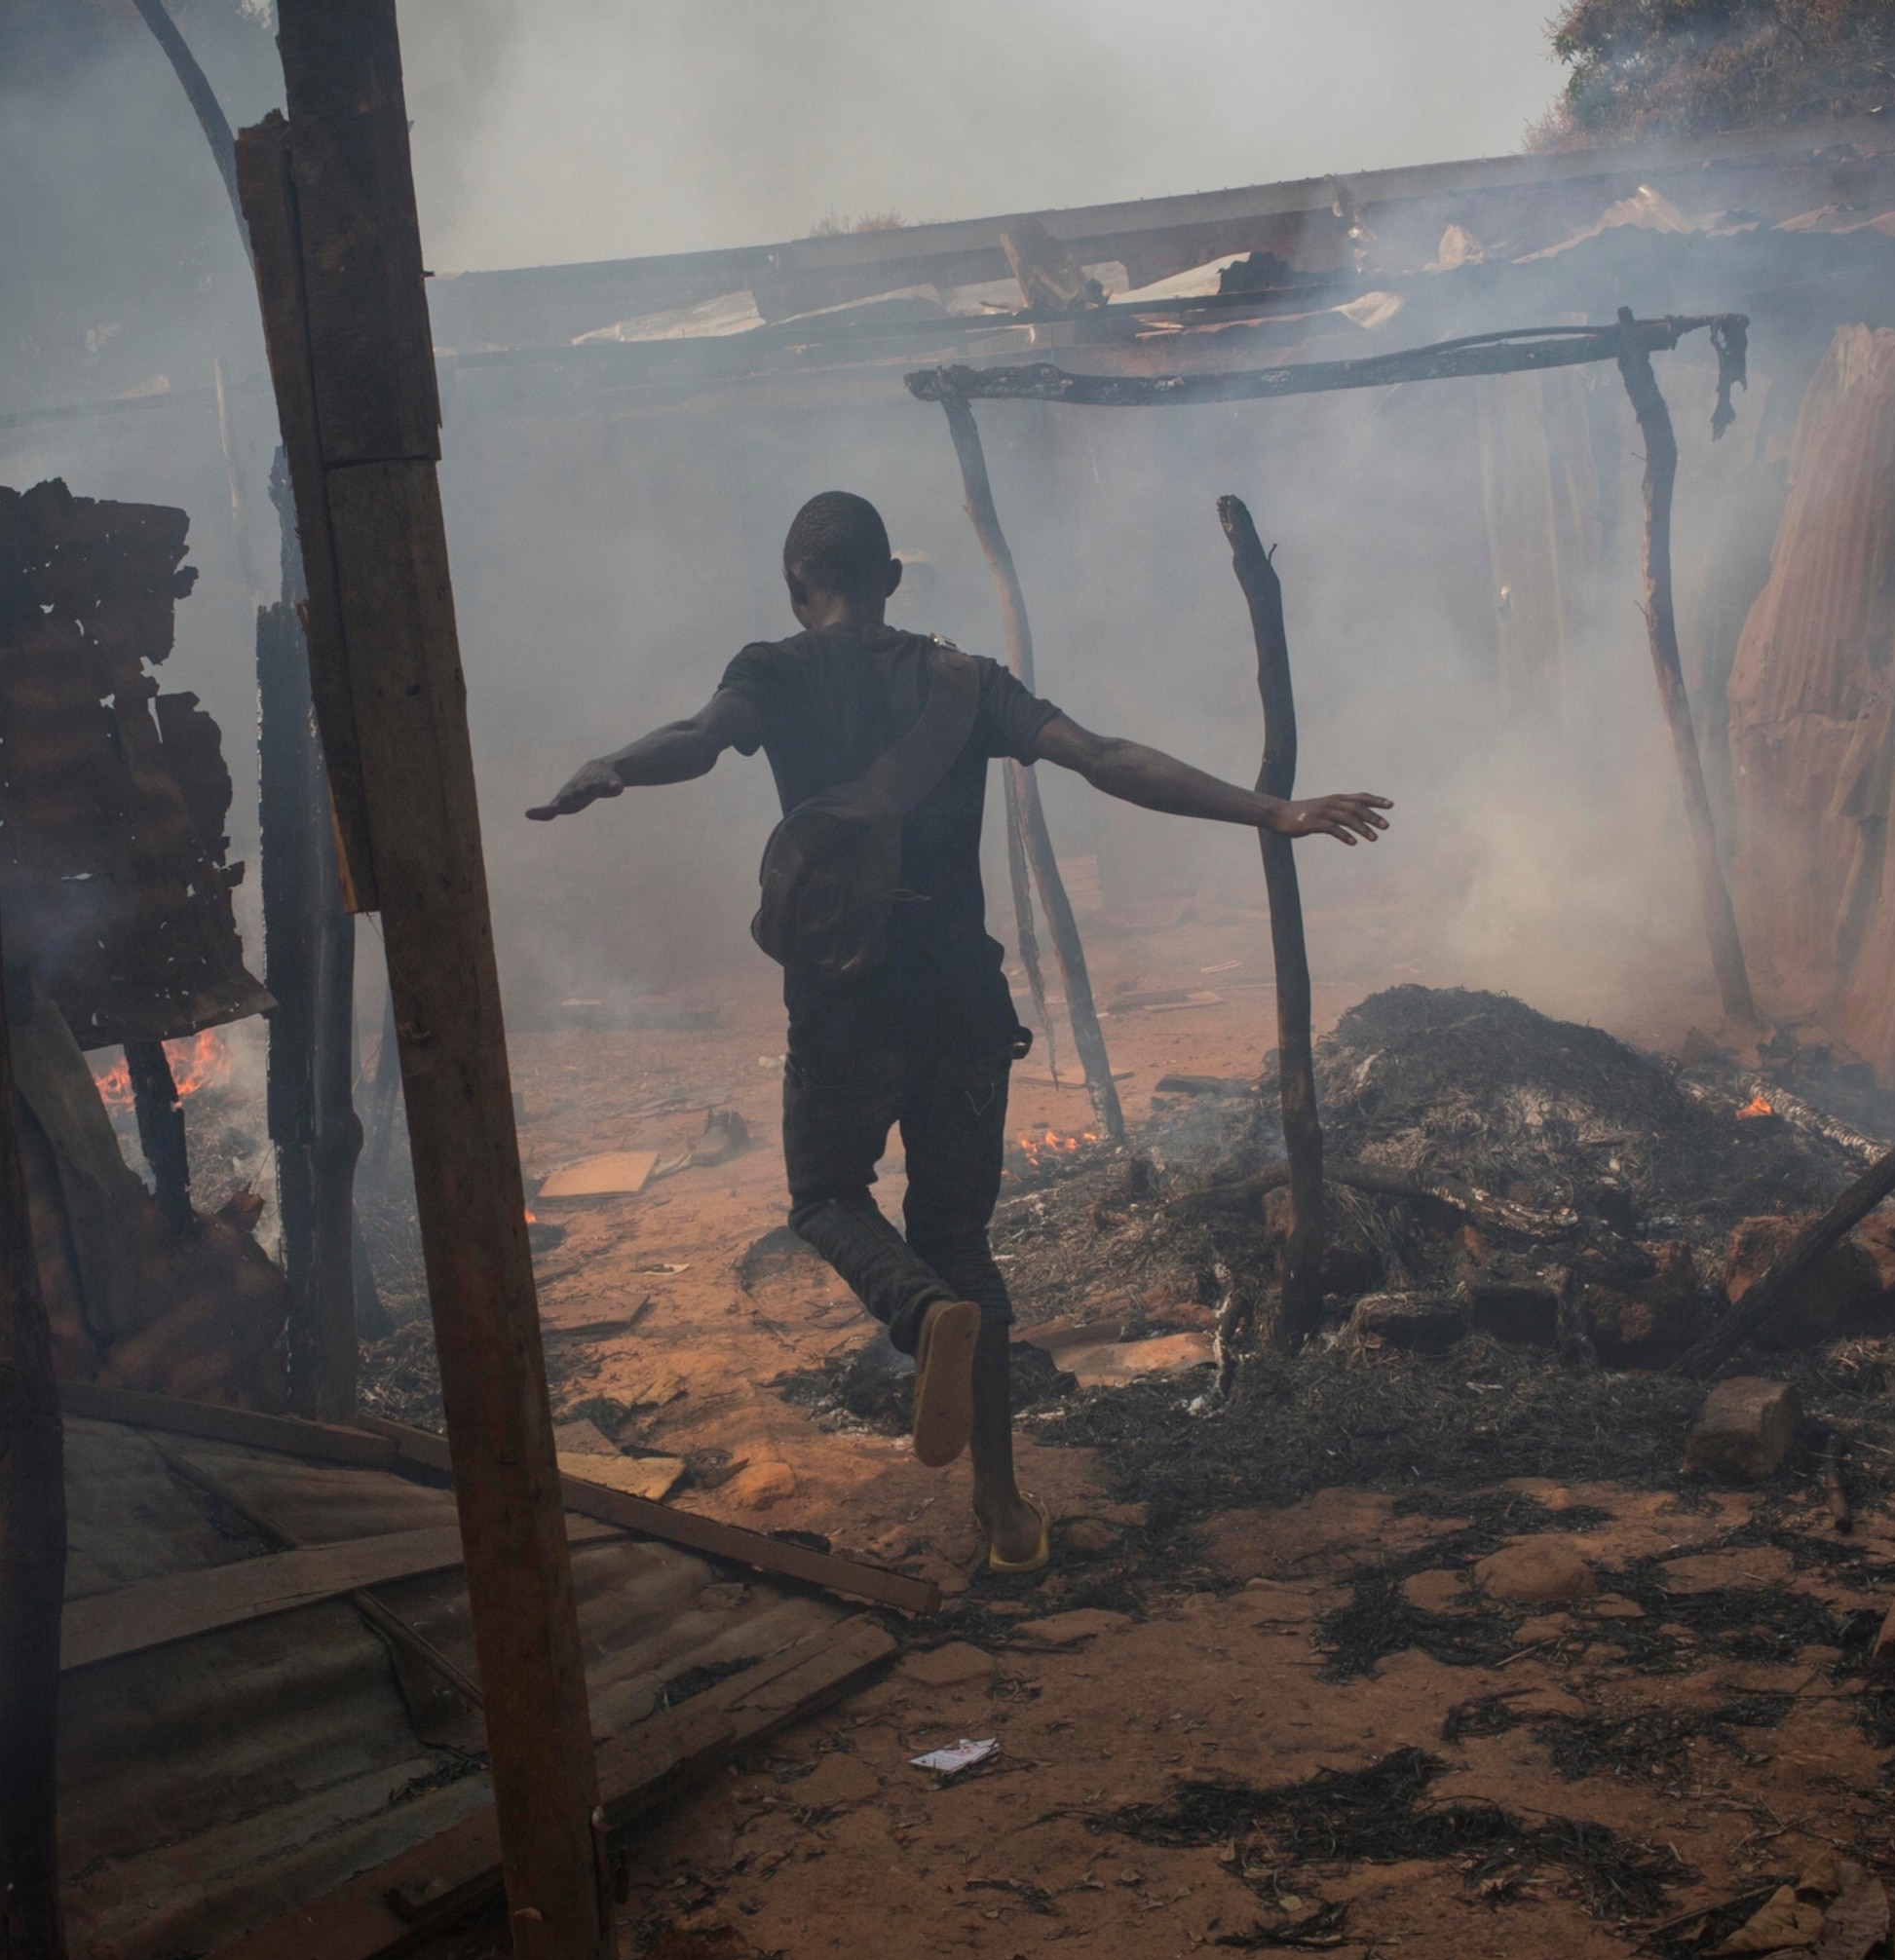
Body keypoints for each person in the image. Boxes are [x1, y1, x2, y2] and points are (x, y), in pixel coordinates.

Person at [528, 491, 1389, 1572]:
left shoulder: (775, 670)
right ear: (892, 579)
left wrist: (615, 763)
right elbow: (1104, 756)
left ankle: (916, 1310)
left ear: (796, 588)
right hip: (963, 1007)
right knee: (963, 1240)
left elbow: (698, 739)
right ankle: (1003, 1507)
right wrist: (1269, 810)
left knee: (824, 1196)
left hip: (846, 1005)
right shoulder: (966, 681)